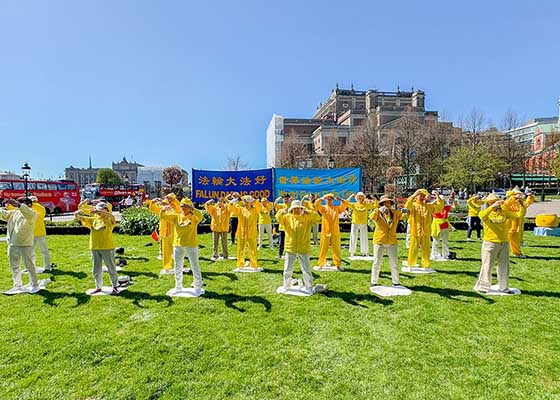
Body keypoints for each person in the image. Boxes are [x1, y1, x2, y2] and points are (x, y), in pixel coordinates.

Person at [473, 194, 523, 294]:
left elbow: (519, 215)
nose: (497, 203)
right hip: (490, 242)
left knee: (504, 266)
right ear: (489, 203)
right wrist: (492, 207)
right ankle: (483, 286)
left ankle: (504, 287)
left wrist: (521, 204)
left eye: (497, 201)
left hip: (504, 242)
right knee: (487, 265)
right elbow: (481, 215)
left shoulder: (504, 212)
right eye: (493, 201)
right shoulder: (487, 213)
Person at [276, 200, 321, 293]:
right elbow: (277, 217)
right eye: (294, 208)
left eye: (298, 208)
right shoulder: (287, 217)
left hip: (303, 247)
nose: (296, 210)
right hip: (290, 247)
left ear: (301, 208)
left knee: (306, 268)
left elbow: (317, 218)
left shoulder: (307, 217)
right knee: (287, 268)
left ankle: (309, 286)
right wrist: (283, 211)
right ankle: (286, 285)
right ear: (291, 209)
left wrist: (309, 211)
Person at [161, 198, 204, 295]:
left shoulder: (194, 217)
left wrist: (192, 208)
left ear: (190, 207)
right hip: (178, 245)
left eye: (185, 206)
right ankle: (178, 287)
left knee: (194, 265)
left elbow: (200, 215)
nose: (183, 208)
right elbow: (164, 216)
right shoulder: (177, 216)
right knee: (177, 266)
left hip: (191, 244)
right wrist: (163, 210)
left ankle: (197, 286)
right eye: (181, 206)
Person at [75, 202, 119, 295]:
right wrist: (77, 214)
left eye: (100, 209)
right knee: (96, 269)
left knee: (111, 268)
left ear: (105, 210)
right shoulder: (93, 219)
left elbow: (112, 216)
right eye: (97, 210)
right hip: (94, 247)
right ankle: (98, 287)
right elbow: (79, 217)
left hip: (107, 247)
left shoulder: (109, 219)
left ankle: (115, 286)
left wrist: (98, 210)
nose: (97, 212)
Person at [0, 197, 40, 293]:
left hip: (25, 243)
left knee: (29, 266)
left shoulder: (33, 213)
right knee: (14, 266)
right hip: (13, 243)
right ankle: (17, 285)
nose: (18, 205)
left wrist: (18, 204)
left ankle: (34, 284)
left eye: (21, 203)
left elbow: (28, 213)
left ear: (29, 204)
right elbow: (2, 214)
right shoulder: (14, 212)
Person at [369, 195, 404, 286]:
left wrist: (406, 209)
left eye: (388, 202)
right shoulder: (378, 212)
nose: (387, 204)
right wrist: (378, 210)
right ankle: (374, 282)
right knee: (377, 262)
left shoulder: (395, 213)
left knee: (394, 262)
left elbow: (405, 216)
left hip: (392, 241)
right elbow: (371, 217)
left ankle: (396, 282)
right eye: (385, 203)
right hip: (379, 240)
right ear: (381, 204)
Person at [405, 189, 444, 269]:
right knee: (413, 249)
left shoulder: (429, 207)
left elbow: (439, 208)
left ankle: (426, 265)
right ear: (416, 196)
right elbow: (407, 206)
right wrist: (413, 195)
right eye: (420, 195)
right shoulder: (413, 205)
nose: (422, 197)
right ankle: (411, 265)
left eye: (424, 196)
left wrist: (438, 198)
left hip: (426, 232)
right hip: (415, 231)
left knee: (426, 250)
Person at [314, 193, 348, 269]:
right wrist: (321, 198)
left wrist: (341, 200)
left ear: (333, 200)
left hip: (335, 232)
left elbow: (345, 205)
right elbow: (316, 205)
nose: (328, 200)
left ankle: (338, 264)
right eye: (327, 199)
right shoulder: (323, 208)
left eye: (330, 199)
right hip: (325, 232)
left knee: (336, 249)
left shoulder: (336, 208)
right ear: (325, 200)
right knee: (323, 249)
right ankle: (321, 264)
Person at [229, 195, 262, 269]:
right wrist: (233, 201)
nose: (246, 203)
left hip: (252, 233)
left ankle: (254, 264)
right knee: (240, 250)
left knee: (253, 250)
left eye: (247, 201)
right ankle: (240, 264)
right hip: (241, 233)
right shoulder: (240, 210)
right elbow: (231, 208)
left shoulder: (255, 210)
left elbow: (259, 206)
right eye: (245, 201)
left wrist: (254, 201)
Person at [503, 188, 534, 258]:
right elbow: (504, 207)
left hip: (516, 224)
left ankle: (517, 253)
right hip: (508, 225)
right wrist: (513, 198)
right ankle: (498, 254)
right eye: (517, 194)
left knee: (515, 240)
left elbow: (526, 205)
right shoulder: (507, 202)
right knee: (502, 241)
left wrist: (530, 197)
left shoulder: (519, 202)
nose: (519, 196)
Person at [29, 196, 55, 271]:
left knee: (32, 251)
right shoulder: (41, 208)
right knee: (43, 251)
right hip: (38, 232)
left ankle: (34, 266)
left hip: (34, 232)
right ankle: (46, 266)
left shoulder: (37, 207)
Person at [347, 192, 376, 257]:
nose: (360, 198)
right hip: (355, 222)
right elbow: (345, 203)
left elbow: (375, 205)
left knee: (364, 237)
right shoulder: (354, 204)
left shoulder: (366, 205)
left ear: (364, 197)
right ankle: (352, 251)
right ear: (356, 198)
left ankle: (365, 252)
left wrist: (373, 198)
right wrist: (350, 196)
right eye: (358, 196)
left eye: (361, 196)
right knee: (353, 237)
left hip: (363, 223)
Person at [430, 192, 458, 260]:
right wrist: (436, 199)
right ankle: (434, 254)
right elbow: (430, 205)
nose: (442, 201)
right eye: (441, 200)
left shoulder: (446, 207)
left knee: (445, 241)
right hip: (436, 225)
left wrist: (454, 200)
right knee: (435, 241)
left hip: (444, 225)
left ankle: (445, 254)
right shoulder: (434, 207)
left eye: (443, 200)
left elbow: (455, 206)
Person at [274, 194, 292, 258]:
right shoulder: (281, 205)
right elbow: (275, 204)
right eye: (285, 199)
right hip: (282, 227)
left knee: (290, 241)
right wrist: (279, 198)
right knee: (282, 242)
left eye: (287, 199)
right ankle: (280, 254)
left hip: (290, 227)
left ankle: (291, 254)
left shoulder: (292, 206)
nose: (286, 200)